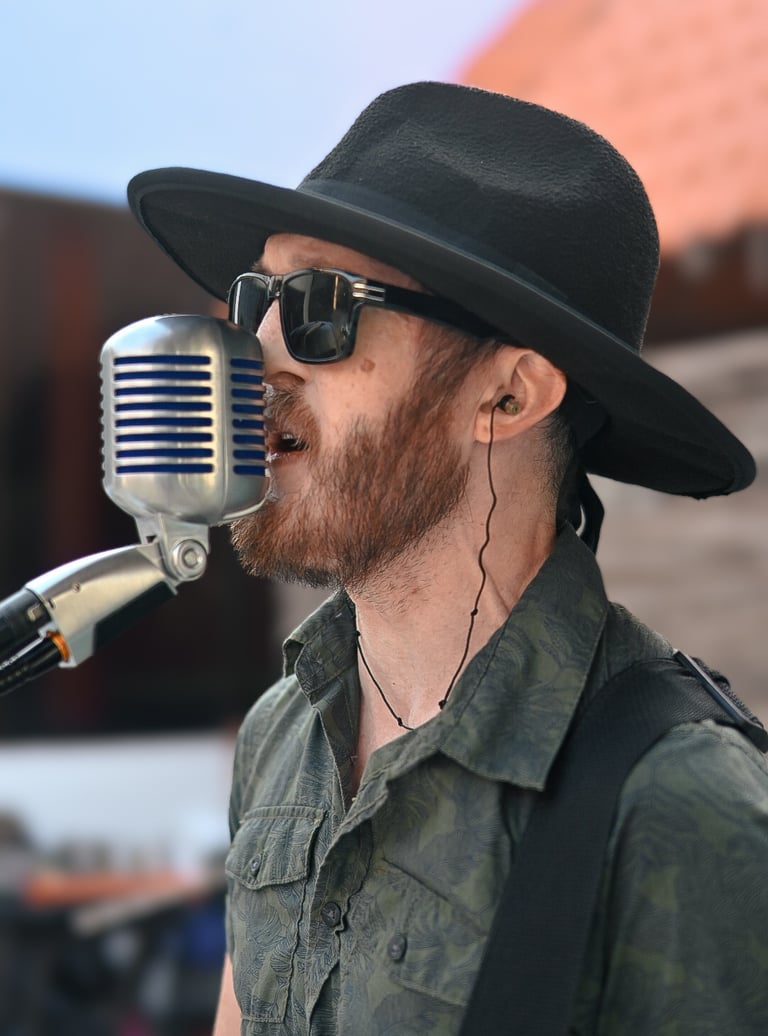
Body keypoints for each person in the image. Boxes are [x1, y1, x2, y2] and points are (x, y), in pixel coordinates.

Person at [127, 82, 768, 1034]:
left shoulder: (683, 804)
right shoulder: (282, 732)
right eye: (255, 297)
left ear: (509, 398)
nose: (250, 351)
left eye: (320, 307)